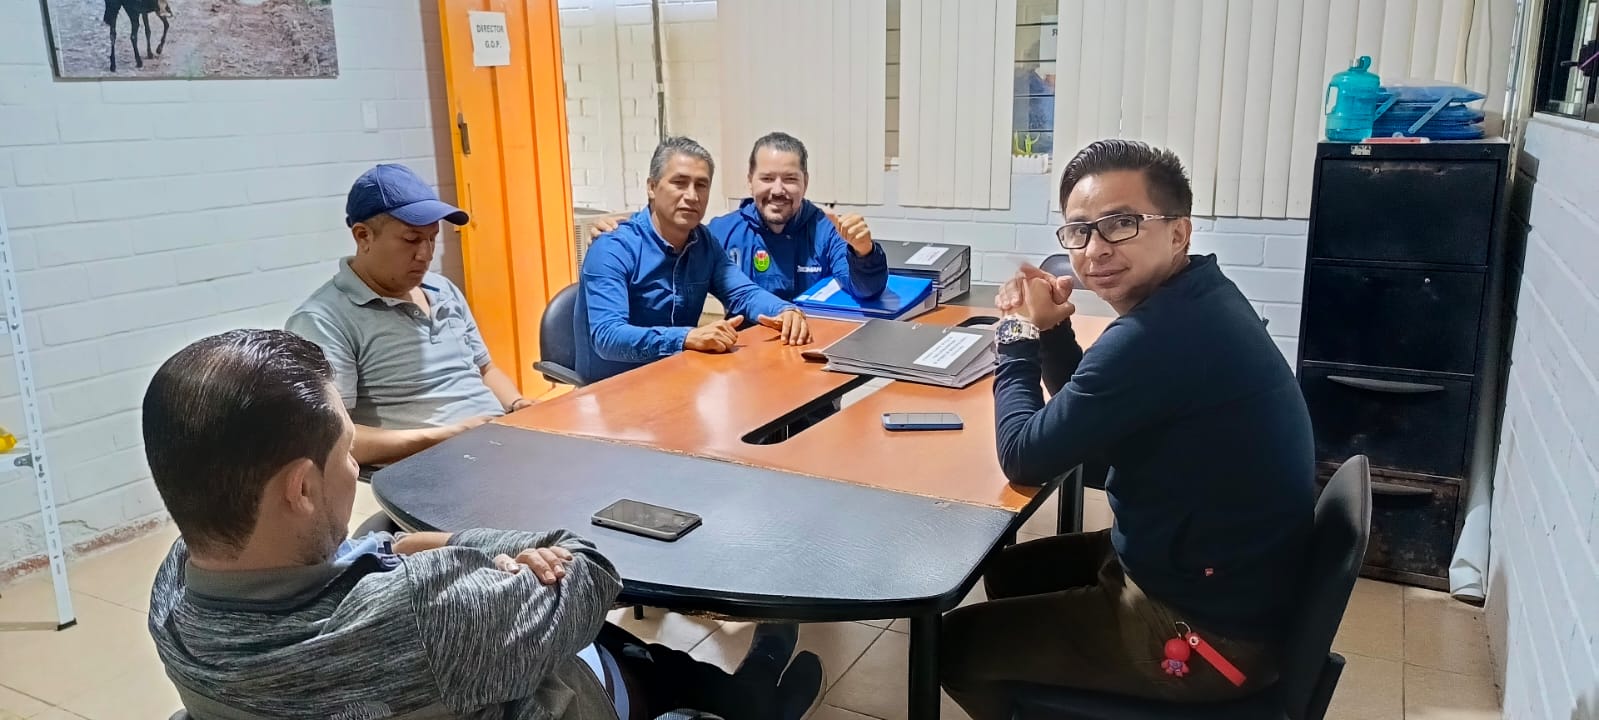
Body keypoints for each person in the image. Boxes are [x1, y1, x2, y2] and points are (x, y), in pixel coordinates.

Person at [143, 328, 824, 720]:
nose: (353, 468)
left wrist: (425, 548)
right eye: (346, 453)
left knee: (617, 646)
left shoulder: (173, 597)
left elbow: (364, 551)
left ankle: (748, 686)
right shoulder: (427, 613)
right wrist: (477, 548)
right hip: (572, 699)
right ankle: (752, 699)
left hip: (461, 671)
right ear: (299, 488)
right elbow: (587, 570)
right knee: (626, 656)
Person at [939, 140, 1315, 718]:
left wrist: (1014, 334)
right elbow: (1093, 412)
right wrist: (1054, 331)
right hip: (1208, 575)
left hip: (1211, 634)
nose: (1095, 249)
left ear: (1178, 232)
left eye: (1121, 224)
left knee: (954, 646)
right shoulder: (1196, 297)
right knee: (1010, 570)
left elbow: (1022, 456)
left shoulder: (1158, 336)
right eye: (1079, 231)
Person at [286, 164, 528, 468]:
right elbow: (330, 439)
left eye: (432, 238)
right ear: (363, 236)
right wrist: (447, 436)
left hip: (495, 446)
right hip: (427, 466)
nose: (426, 254)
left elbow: (485, 369)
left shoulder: (443, 290)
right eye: (412, 240)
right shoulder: (323, 320)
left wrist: (518, 404)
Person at [576, 136, 811, 383]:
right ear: (652, 187)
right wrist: (686, 338)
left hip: (678, 379)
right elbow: (607, 336)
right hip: (613, 390)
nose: (692, 195)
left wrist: (785, 311)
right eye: (680, 183)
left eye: (701, 185)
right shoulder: (613, 247)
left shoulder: (703, 242)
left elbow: (744, 293)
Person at [591, 132, 887, 302]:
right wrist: (627, 232)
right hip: (742, 360)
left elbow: (866, 289)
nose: (778, 190)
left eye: (790, 179)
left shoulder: (826, 229)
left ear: (805, 183)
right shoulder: (722, 232)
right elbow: (670, 248)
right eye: (767, 178)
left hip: (812, 355)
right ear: (750, 181)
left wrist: (864, 251)